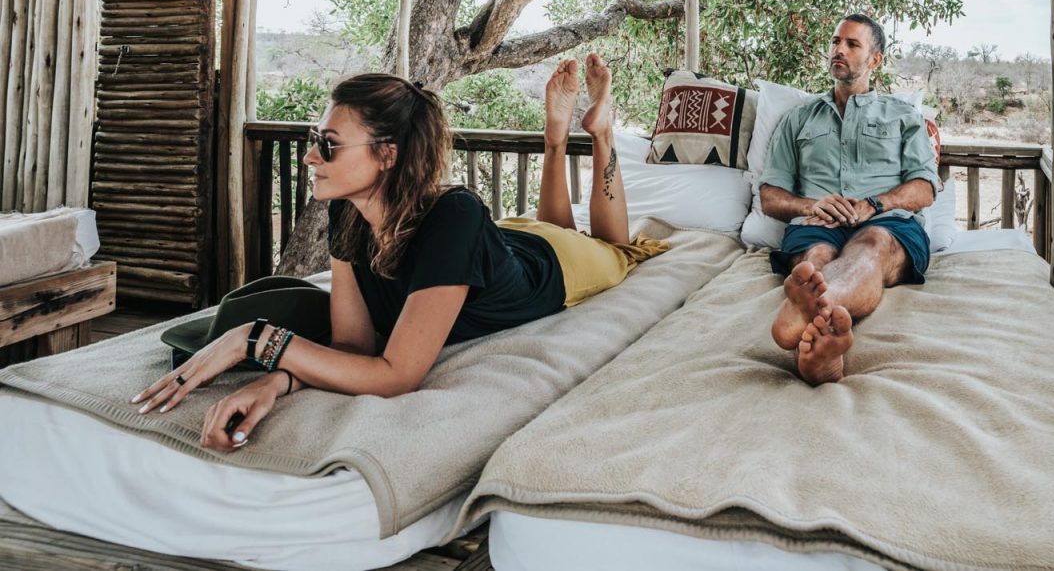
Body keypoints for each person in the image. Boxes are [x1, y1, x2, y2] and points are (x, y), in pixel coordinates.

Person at [131, 53, 660, 450]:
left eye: (330, 144)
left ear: (387, 154)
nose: (312, 155)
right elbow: (355, 349)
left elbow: (397, 374)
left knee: (609, 245)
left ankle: (597, 133)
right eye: (316, 138)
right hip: (502, 241)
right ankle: (555, 135)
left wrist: (254, 340)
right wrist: (276, 381)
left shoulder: (455, 214)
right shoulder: (348, 212)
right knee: (554, 223)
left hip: (557, 265)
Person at [759, 14, 939, 384]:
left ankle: (805, 316)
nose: (838, 49)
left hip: (886, 225)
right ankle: (822, 354)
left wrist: (873, 205)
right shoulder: (799, 119)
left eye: (852, 44)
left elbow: (924, 189)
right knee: (814, 260)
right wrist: (812, 205)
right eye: (835, 41)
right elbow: (770, 197)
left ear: (875, 60)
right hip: (817, 225)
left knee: (870, 245)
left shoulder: (903, 116)